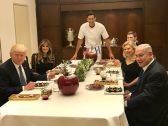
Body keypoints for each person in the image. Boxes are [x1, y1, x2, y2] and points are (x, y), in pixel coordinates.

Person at [124, 44, 168, 126]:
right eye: (136, 56)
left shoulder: (157, 72)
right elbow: (141, 87)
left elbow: (146, 96)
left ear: (150, 54)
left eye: (141, 55)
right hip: (147, 103)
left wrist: (126, 104)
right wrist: (131, 95)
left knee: (123, 113)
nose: (137, 59)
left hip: (151, 113)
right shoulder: (146, 65)